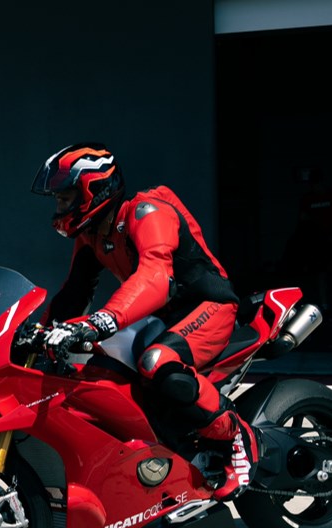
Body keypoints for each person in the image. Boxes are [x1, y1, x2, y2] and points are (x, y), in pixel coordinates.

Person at [30, 143, 256, 500]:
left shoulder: (147, 212)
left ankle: (236, 437)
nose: (60, 208)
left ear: (95, 190)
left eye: (65, 198)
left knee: (157, 362)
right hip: (159, 316)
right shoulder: (92, 235)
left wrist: (103, 320)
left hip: (207, 305)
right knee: (92, 373)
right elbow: (72, 294)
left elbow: (155, 277)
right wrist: (35, 334)